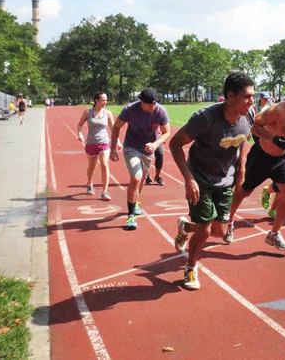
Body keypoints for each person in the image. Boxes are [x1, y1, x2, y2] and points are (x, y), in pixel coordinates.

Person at [170, 73, 255, 290]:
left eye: (253, 96)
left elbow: (243, 138)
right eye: (247, 97)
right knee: (206, 230)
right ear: (230, 96)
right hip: (201, 178)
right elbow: (175, 144)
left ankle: (186, 227)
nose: (252, 101)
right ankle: (190, 268)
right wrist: (188, 178)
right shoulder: (205, 118)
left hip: (225, 179)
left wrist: (241, 169)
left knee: (220, 231)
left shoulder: (249, 115)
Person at [224, 82, 285, 250]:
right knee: (244, 191)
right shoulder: (277, 111)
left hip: (283, 158)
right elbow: (251, 123)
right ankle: (229, 222)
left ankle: (274, 234)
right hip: (262, 156)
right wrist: (272, 138)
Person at [110, 89, 170, 230]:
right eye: (149, 105)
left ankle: (135, 201)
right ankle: (131, 216)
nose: (153, 108)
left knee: (141, 180)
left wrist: (155, 144)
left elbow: (167, 132)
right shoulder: (130, 109)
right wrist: (113, 148)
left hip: (148, 149)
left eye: (154, 104)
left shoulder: (160, 111)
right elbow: (116, 127)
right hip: (131, 146)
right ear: (141, 102)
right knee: (136, 178)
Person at [76, 92, 120, 201]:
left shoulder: (108, 113)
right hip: (91, 143)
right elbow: (79, 125)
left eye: (106, 100)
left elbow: (113, 129)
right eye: (102, 100)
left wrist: (117, 141)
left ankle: (104, 191)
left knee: (104, 165)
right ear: (96, 100)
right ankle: (89, 183)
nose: (105, 102)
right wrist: (80, 134)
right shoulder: (88, 112)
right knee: (92, 166)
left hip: (104, 143)